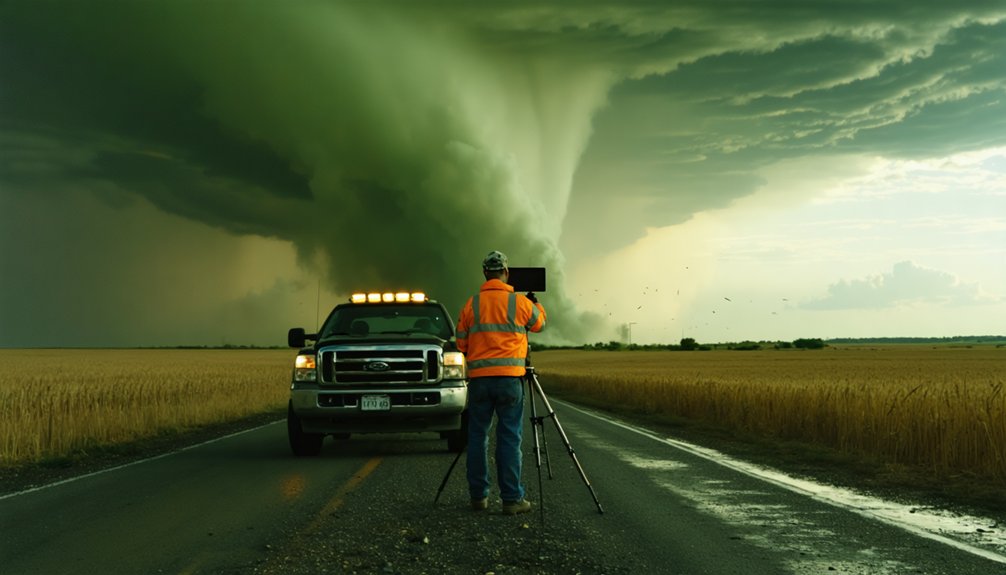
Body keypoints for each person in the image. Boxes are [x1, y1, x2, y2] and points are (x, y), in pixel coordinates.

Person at [456, 250, 546, 515]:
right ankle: (511, 499)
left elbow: (461, 343)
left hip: (480, 383)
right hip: (510, 381)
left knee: (477, 437)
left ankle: (478, 498)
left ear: (485, 273)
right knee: (509, 438)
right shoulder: (519, 303)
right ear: (506, 273)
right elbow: (540, 324)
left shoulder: (470, 305)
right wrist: (536, 303)